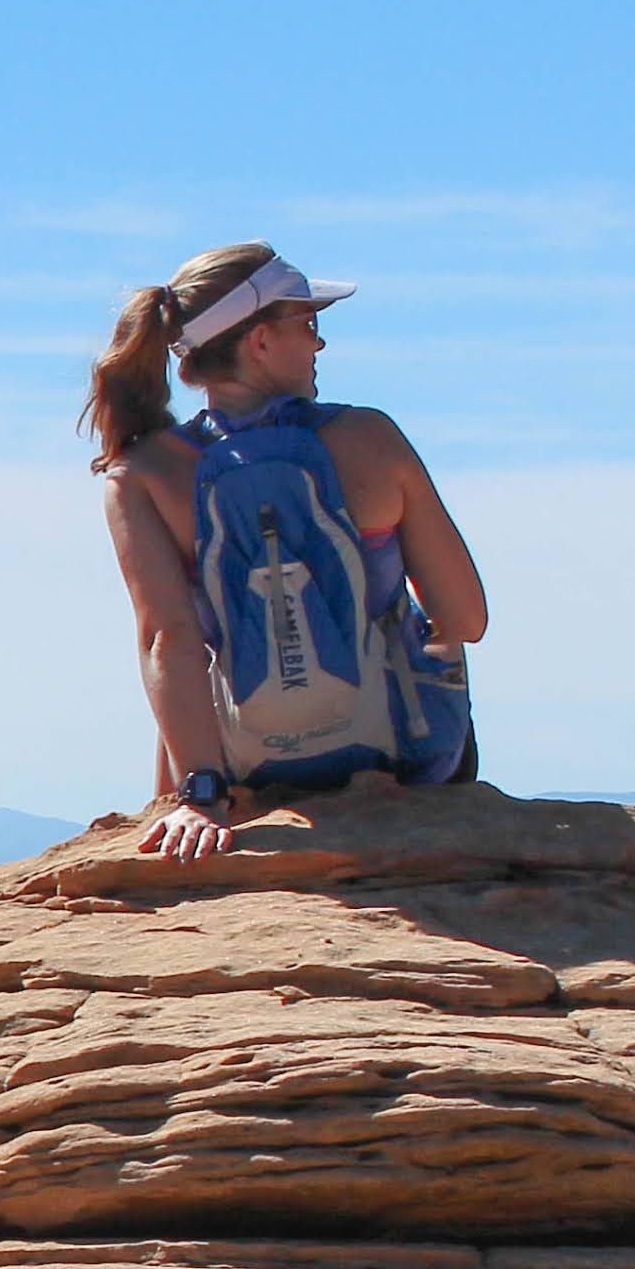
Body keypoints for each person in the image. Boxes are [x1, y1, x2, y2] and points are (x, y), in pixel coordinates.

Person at [87, 244, 486, 863]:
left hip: (245, 762)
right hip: (407, 755)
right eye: (308, 324)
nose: (318, 344)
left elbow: (168, 641)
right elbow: (466, 620)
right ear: (260, 341)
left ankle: (184, 805)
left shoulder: (139, 473)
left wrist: (201, 793)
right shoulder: (370, 437)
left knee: (190, 655)